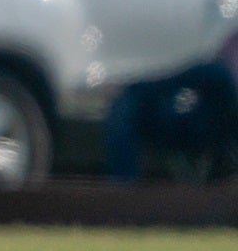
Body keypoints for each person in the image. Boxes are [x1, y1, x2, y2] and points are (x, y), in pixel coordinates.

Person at [102, 32, 238, 181]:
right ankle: (123, 187)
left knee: (220, 77)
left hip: (217, 122)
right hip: (206, 122)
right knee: (127, 103)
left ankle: (123, 185)